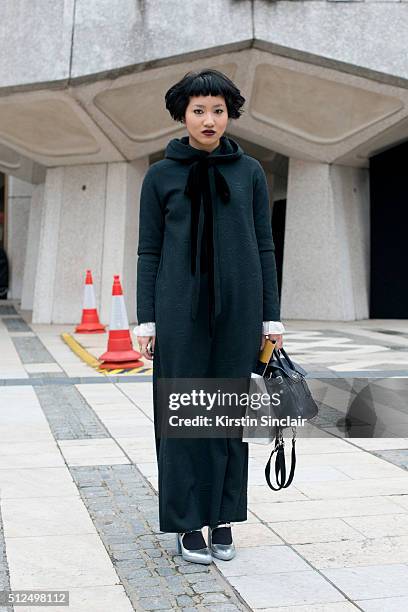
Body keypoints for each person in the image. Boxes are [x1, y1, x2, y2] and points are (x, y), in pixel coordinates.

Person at [134, 68, 285, 564]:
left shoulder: (250, 173)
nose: (209, 119)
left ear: (229, 115)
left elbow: (264, 245)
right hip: (179, 314)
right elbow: (149, 253)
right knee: (183, 417)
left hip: (240, 314)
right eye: (199, 110)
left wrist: (271, 319)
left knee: (226, 416)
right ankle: (185, 523)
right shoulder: (160, 176)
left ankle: (222, 518)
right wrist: (148, 320)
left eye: (217, 110)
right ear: (183, 114)